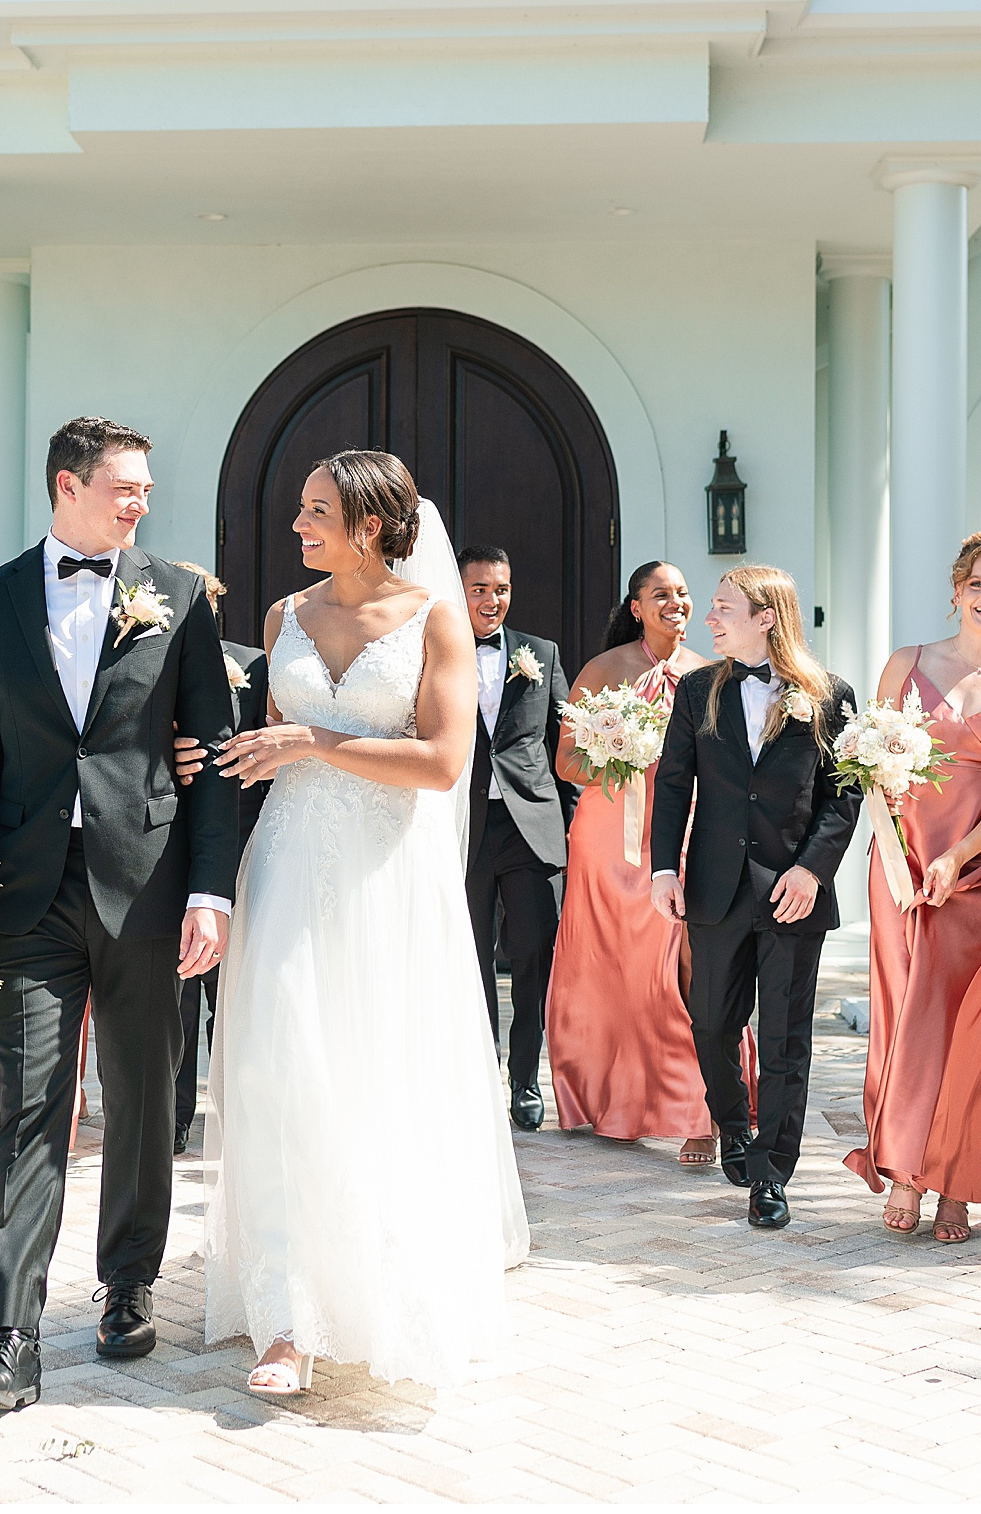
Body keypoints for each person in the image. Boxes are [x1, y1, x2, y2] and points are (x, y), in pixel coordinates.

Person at [199, 450, 530, 1396]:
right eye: (302, 509)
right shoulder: (283, 618)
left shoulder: (437, 619)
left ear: (372, 527)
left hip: (390, 876)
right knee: (280, 1071)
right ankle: (287, 1317)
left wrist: (313, 741)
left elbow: (439, 763)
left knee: (376, 1074)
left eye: (316, 512)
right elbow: (265, 746)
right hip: (289, 863)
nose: (297, 527)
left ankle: (383, 1294)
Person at [0, 417, 240, 1413]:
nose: (141, 501)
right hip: (26, 892)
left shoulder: (181, 596)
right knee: (30, 1111)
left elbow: (212, 756)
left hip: (147, 886)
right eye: (124, 486)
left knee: (144, 1098)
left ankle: (127, 1281)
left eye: (146, 487)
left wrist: (210, 890)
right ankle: (9, 1339)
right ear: (66, 485)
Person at [841, 534, 981, 1244]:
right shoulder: (905, 663)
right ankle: (906, 1166)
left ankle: (955, 1181)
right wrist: (904, 858)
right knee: (907, 1014)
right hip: (903, 866)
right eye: (980, 584)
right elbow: (873, 768)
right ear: (957, 589)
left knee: (969, 1027)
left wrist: (961, 854)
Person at [648, 567, 858, 1232]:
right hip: (713, 886)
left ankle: (772, 1173)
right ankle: (733, 1127)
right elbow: (674, 783)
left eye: (722, 608)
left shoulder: (828, 695)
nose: (708, 619)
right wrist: (662, 868)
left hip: (792, 891)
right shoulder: (697, 690)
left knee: (785, 1039)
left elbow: (843, 795)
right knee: (710, 1022)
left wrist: (812, 871)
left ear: (766, 617)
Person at [544, 561, 737, 1160]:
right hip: (607, 840)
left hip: (680, 836)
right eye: (662, 594)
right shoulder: (604, 670)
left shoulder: (711, 675)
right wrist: (618, 752)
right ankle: (608, 1099)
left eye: (682, 594)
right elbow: (566, 763)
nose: (676, 603)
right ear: (636, 607)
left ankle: (701, 1109)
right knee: (609, 970)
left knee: (681, 969)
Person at [457, 546, 573, 1131]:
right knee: (469, 957)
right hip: (464, 829)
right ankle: (480, 1074)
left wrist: (569, 828)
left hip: (531, 827)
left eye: (500, 588)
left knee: (533, 956)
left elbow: (567, 747)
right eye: (478, 588)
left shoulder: (541, 654)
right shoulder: (436, 649)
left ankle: (526, 1080)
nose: (491, 599)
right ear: (458, 589)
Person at [168, 559, 270, 1157]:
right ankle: (176, 1115)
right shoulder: (140, 658)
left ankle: (232, 1109)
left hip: (236, 834)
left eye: (204, 599)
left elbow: (264, 744)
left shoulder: (250, 665)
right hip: (163, 839)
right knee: (178, 990)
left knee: (229, 991)